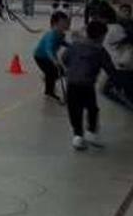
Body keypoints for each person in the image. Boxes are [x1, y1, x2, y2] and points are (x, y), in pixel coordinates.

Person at [62, 20, 117, 150]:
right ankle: (91, 132)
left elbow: (65, 58)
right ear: (101, 36)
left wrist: (71, 69)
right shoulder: (99, 50)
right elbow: (110, 68)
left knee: (75, 109)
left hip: (72, 82)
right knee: (92, 108)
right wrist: (117, 82)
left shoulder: (75, 45)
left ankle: (77, 136)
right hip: (87, 84)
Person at [33, 12, 71, 102]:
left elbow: (62, 42)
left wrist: (73, 46)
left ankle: (48, 79)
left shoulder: (60, 34)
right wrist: (54, 60)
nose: (66, 25)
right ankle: (49, 92)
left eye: (66, 22)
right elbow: (48, 49)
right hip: (41, 57)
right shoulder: (51, 35)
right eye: (63, 23)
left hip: (50, 57)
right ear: (55, 24)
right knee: (52, 72)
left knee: (59, 72)